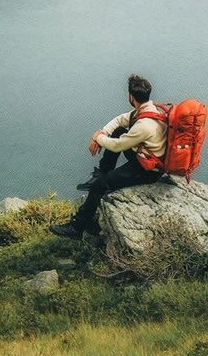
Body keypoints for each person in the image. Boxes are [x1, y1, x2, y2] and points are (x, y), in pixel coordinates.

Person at [50, 73, 166, 239]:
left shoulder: (144, 125)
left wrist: (98, 138)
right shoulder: (150, 111)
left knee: (100, 185)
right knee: (118, 131)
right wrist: (103, 132)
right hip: (146, 157)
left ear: (131, 97)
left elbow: (117, 146)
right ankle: (103, 172)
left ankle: (77, 227)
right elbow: (119, 120)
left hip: (147, 170)